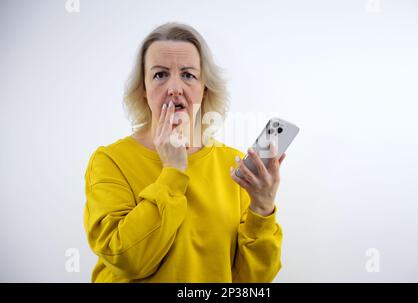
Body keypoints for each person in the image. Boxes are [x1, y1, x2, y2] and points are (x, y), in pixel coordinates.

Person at [84, 22, 286, 282]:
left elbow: (252, 281)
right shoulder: (109, 161)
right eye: (160, 75)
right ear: (143, 90)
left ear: (205, 87)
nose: (174, 88)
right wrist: (172, 172)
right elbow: (127, 260)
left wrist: (262, 207)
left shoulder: (233, 165)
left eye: (188, 75)